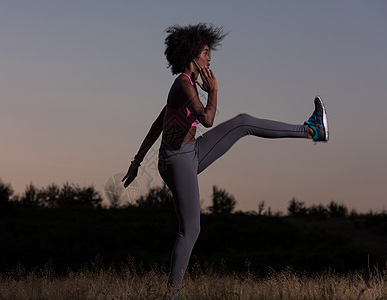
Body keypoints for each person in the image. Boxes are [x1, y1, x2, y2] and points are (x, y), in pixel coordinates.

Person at [122, 23, 328, 298]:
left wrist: (136, 161)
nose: (210, 58)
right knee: (191, 230)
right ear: (193, 54)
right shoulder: (183, 83)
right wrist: (215, 91)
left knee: (243, 122)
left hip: (188, 153)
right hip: (178, 161)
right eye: (206, 52)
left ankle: (313, 129)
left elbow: (158, 123)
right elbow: (207, 119)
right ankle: (171, 295)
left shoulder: (188, 85)